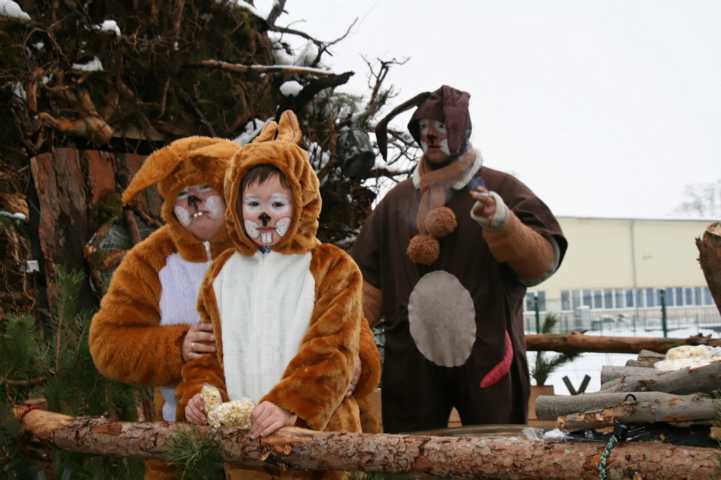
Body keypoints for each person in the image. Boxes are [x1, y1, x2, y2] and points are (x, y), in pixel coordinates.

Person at [352, 85, 568, 433]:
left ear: (461, 131)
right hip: (412, 367)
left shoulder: (500, 189)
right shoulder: (396, 203)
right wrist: (346, 346)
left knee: (498, 452)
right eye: (424, 128)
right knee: (409, 453)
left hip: (488, 359)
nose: (431, 136)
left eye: (441, 127)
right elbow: (365, 285)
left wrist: (504, 224)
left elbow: (543, 261)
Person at [177, 110, 379, 479]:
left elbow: (333, 348)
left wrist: (290, 404)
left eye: (277, 204)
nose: (264, 216)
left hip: (319, 444)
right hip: (246, 447)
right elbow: (206, 352)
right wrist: (199, 394)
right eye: (254, 205)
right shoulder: (221, 274)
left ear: (301, 202)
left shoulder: (331, 267)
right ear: (236, 208)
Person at [89, 136, 243, 480]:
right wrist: (176, 347)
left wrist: (353, 361)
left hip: (270, 438)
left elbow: (335, 312)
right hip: (180, 446)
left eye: (205, 189)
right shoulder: (150, 261)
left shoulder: (267, 241)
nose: (194, 202)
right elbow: (106, 343)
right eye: (182, 194)